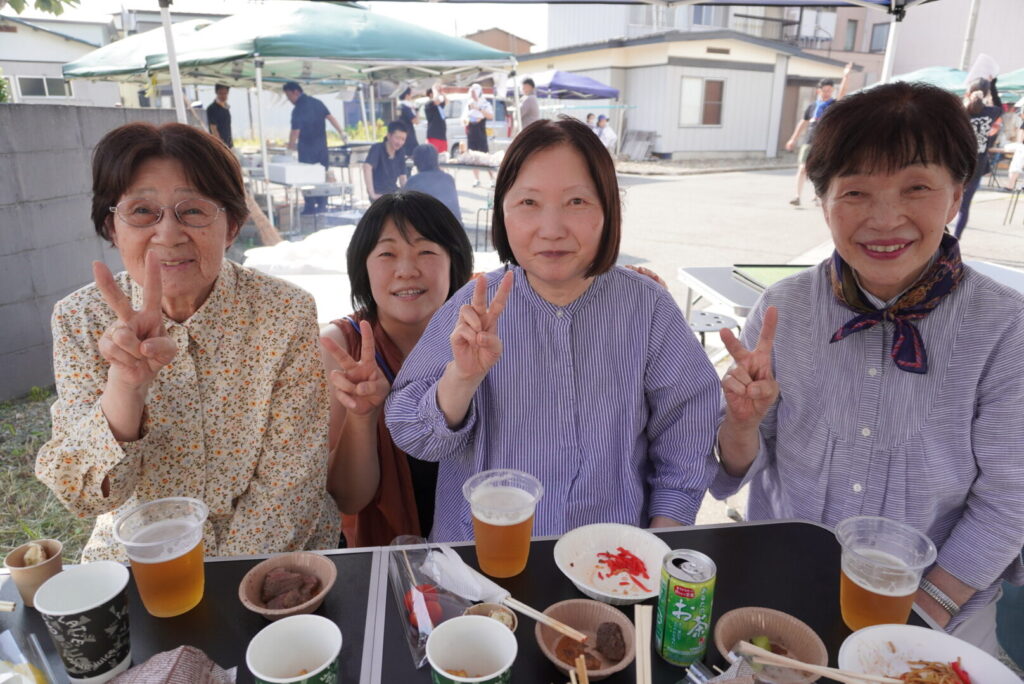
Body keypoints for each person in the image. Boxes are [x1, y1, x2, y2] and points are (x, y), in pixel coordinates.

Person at [712, 82, 1024, 653]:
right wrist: (740, 422)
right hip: (784, 592)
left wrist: (921, 617)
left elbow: (1010, 501)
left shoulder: (1007, 329)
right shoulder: (784, 310)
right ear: (823, 200)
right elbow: (737, 466)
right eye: (855, 192)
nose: (885, 219)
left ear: (956, 195)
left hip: (940, 619)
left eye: (916, 188)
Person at [385, 117, 721, 543]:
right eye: (528, 202)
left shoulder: (647, 308)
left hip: (612, 554)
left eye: (576, 201)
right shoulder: (471, 307)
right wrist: (461, 379)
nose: (552, 229)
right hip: (481, 555)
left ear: (609, 209)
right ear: (503, 211)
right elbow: (411, 434)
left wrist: (658, 540)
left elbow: (687, 432)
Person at [35, 122, 340, 562]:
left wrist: (219, 584)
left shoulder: (285, 312)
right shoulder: (81, 321)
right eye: (142, 211)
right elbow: (86, 497)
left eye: (193, 210)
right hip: (139, 553)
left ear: (231, 226)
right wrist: (125, 387)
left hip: (269, 561)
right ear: (112, 228)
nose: (168, 234)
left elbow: (290, 484)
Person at [319, 192, 474, 548]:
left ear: (454, 263)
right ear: (363, 266)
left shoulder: (481, 339)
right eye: (387, 254)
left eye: (426, 251)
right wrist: (362, 416)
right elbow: (347, 500)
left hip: (474, 545)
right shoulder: (340, 348)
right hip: (384, 556)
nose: (406, 270)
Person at [784, 63, 853, 207]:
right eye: (824, 90)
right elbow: (803, 123)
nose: (827, 93)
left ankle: (818, 195)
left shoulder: (833, 105)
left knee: (821, 170)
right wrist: (793, 139)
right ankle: (797, 196)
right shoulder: (812, 106)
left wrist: (845, 76)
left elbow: (843, 92)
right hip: (809, 142)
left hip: (825, 143)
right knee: (803, 168)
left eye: (830, 90)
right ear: (818, 91)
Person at [283, 81, 345, 214]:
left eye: (289, 96)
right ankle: (322, 205)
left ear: (295, 92)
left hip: (307, 150)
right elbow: (331, 118)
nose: (289, 100)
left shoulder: (298, 109)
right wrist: (341, 132)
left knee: (307, 178)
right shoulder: (317, 102)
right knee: (322, 176)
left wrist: (290, 148)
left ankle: (310, 206)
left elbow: (295, 132)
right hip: (322, 148)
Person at [953, 78, 1003, 239]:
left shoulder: (960, 111)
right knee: (964, 207)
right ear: (986, 94)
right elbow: (1000, 105)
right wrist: (993, 85)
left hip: (955, 162)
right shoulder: (992, 112)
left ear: (968, 92)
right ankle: (956, 239)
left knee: (944, 202)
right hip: (977, 165)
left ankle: (939, 238)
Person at [404, 144, 461, 224]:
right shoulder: (449, 178)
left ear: (416, 162)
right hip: (455, 227)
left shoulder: (413, 181)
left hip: (429, 228)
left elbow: (404, 211)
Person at [362, 121, 408, 201]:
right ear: (389, 135)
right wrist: (372, 194)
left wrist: (407, 195)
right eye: (397, 138)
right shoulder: (377, 148)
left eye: (403, 139)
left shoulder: (401, 152)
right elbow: (367, 167)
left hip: (393, 192)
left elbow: (403, 177)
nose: (400, 142)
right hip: (379, 194)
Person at [462, 83, 495, 187]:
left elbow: (490, 116)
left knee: (485, 155)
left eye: (474, 92)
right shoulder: (468, 103)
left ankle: (492, 179)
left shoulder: (485, 103)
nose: (473, 95)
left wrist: (478, 109)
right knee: (473, 156)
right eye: (471, 92)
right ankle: (476, 179)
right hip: (471, 131)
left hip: (481, 131)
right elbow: (463, 117)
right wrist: (465, 120)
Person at [206, 84, 232, 148]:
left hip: (228, 142)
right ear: (216, 93)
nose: (223, 96)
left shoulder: (226, 107)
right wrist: (220, 143)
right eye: (221, 93)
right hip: (219, 144)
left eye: (225, 93)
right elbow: (213, 128)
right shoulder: (212, 108)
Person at [424, 83, 448, 154]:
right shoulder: (429, 104)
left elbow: (446, 101)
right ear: (431, 94)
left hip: (442, 136)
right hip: (433, 136)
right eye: (435, 92)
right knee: (433, 156)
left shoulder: (439, 105)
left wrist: (441, 92)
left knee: (443, 157)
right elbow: (436, 100)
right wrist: (434, 89)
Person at [397, 87, 420, 158]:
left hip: (400, 133)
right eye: (411, 94)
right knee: (413, 155)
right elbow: (416, 121)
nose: (412, 96)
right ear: (407, 95)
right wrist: (417, 111)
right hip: (408, 135)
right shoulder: (406, 107)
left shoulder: (399, 106)